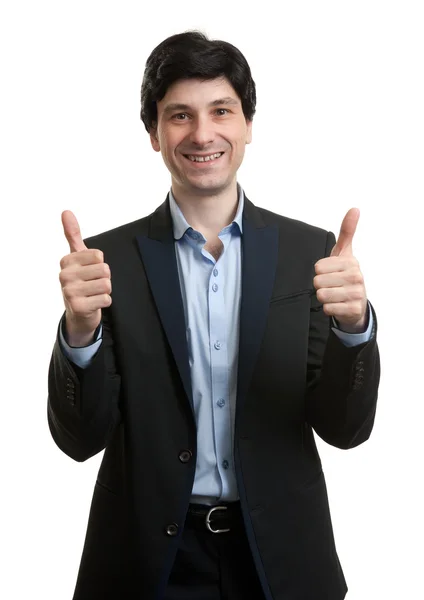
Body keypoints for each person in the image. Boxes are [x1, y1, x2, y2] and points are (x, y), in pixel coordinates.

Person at [48, 30, 380, 600]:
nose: (202, 134)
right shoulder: (105, 265)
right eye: (179, 115)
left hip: (280, 559)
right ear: (154, 133)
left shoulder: (312, 254)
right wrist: (81, 333)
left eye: (221, 110)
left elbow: (345, 429)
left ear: (248, 124)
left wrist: (354, 330)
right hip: (147, 563)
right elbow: (80, 440)